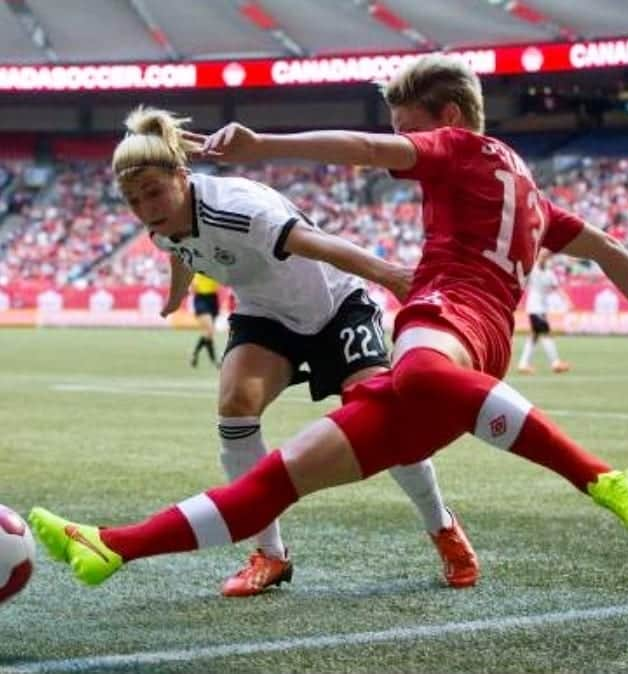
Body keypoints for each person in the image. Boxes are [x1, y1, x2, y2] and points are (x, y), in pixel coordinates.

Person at [30, 56, 628, 589]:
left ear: (445, 120)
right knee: (280, 475)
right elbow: (612, 252)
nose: (403, 148)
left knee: (417, 372)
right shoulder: (530, 193)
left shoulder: (453, 145)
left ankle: (598, 477)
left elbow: (362, 152)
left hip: (430, 312)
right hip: (471, 339)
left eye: (408, 131)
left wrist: (262, 145)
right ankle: (114, 546)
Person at [45, 106, 478, 596]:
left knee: (384, 422)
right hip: (266, 315)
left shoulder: (238, 208)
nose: (145, 207)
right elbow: (181, 252)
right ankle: (270, 554)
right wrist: (175, 296)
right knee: (235, 407)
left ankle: (442, 526)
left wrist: (392, 276)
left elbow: (315, 242)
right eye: (133, 199)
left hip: (336, 304)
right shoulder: (161, 224)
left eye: (153, 192)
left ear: (182, 177)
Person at [517, 250, 571, 374]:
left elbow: (556, 288)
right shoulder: (534, 270)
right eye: (542, 256)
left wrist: (567, 300)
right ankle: (555, 362)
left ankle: (523, 364)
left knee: (534, 336)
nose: (544, 258)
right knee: (546, 334)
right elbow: (523, 281)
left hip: (541, 309)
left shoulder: (549, 273)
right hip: (535, 308)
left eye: (547, 256)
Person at [188, 272, 220, 368]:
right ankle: (210, 359)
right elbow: (191, 286)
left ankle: (197, 354)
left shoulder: (216, 266)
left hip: (213, 299)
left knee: (208, 333)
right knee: (209, 330)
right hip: (201, 299)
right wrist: (192, 285)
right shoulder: (198, 265)